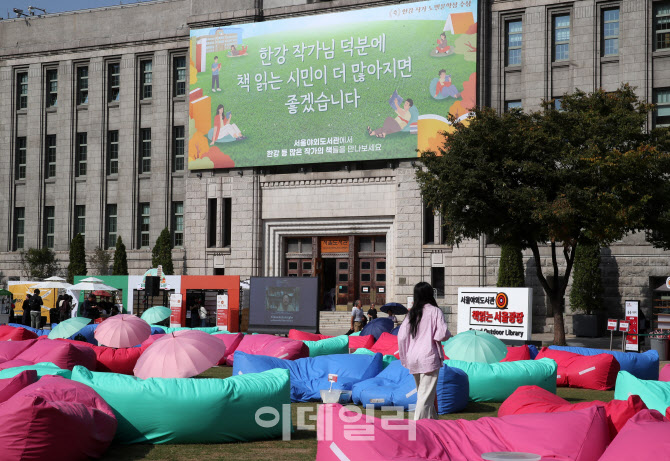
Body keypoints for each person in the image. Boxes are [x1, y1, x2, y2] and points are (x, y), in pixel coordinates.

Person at [398, 282, 451, 420]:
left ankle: (434, 422)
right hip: (428, 355)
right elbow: (442, 333)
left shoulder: (412, 314)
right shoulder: (435, 311)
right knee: (425, 396)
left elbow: (402, 337)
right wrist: (444, 334)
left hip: (413, 356)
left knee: (425, 393)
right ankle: (417, 427)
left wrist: (404, 358)